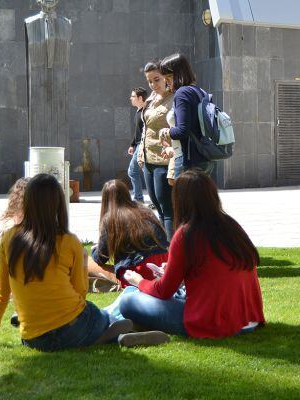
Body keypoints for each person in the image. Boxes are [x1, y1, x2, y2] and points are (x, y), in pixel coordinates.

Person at [0, 174, 136, 353]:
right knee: (102, 316)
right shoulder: (69, 241)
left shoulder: (9, 239)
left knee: (98, 317)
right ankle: (111, 333)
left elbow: (0, 294)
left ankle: (106, 334)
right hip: (73, 328)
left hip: (34, 339)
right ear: (58, 204)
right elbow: (80, 291)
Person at [119, 170, 265, 338]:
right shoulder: (231, 225)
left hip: (214, 321)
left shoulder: (186, 234)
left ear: (180, 200)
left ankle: (121, 324)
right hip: (247, 318)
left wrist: (138, 281)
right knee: (138, 294)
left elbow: (164, 290)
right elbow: (211, 272)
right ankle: (133, 325)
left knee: (128, 300)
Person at [87, 179, 169, 289]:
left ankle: (118, 281)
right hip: (163, 265)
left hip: (139, 271)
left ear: (105, 200)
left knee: (86, 262)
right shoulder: (144, 210)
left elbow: (100, 258)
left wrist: (94, 249)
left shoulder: (111, 219)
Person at [158, 53, 213, 175]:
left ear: (178, 75)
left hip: (188, 160)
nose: (167, 83)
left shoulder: (182, 93)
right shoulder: (200, 91)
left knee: (184, 194)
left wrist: (166, 132)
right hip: (204, 157)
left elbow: (183, 131)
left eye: (168, 78)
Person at [137, 62, 175, 238]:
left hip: (164, 159)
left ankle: (172, 254)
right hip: (148, 159)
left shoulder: (174, 98)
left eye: (156, 79)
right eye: (150, 81)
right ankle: (165, 249)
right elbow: (145, 128)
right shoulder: (151, 99)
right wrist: (140, 152)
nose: (153, 84)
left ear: (166, 77)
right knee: (157, 206)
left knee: (167, 208)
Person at [127, 87, 148, 203]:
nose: (130, 98)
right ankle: (139, 198)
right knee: (141, 171)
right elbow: (138, 131)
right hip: (139, 145)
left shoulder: (146, 111)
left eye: (133, 96)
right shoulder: (138, 111)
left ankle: (139, 198)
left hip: (143, 145)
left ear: (140, 98)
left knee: (133, 171)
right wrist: (132, 144)